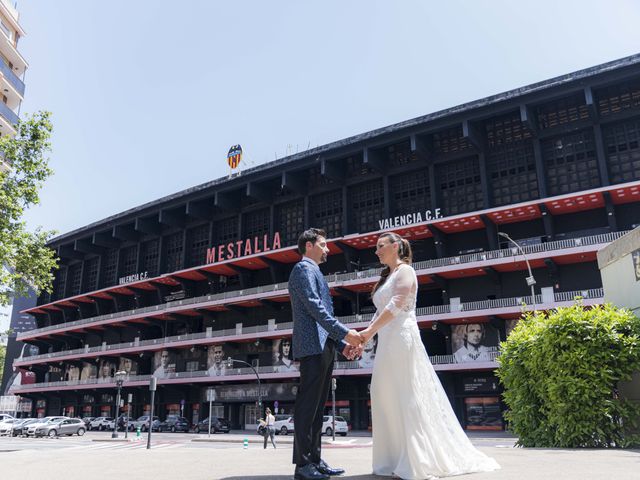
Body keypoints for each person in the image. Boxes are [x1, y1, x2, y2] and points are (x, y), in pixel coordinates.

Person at [359, 232, 500, 479]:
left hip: (402, 339)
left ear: (395, 246)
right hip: (386, 342)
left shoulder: (405, 272)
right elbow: (381, 310)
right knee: (383, 394)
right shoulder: (387, 276)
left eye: (380, 246)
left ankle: (415, 459)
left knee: (405, 395)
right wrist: (365, 337)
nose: (376, 251)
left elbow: (397, 305)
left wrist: (368, 332)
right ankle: (391, 458)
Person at [289, 228, 363, 480]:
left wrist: (341, 345)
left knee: (318, 408)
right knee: (308, 406)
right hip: (311, 347)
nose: (327, 249)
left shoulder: (314, 271)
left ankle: (315, 460)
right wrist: (345, 333)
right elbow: (315, 307)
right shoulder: (302, 270)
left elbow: (322, 317)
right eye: (323, 244)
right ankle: (303, 465)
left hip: (324, 346)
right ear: (308, 246)